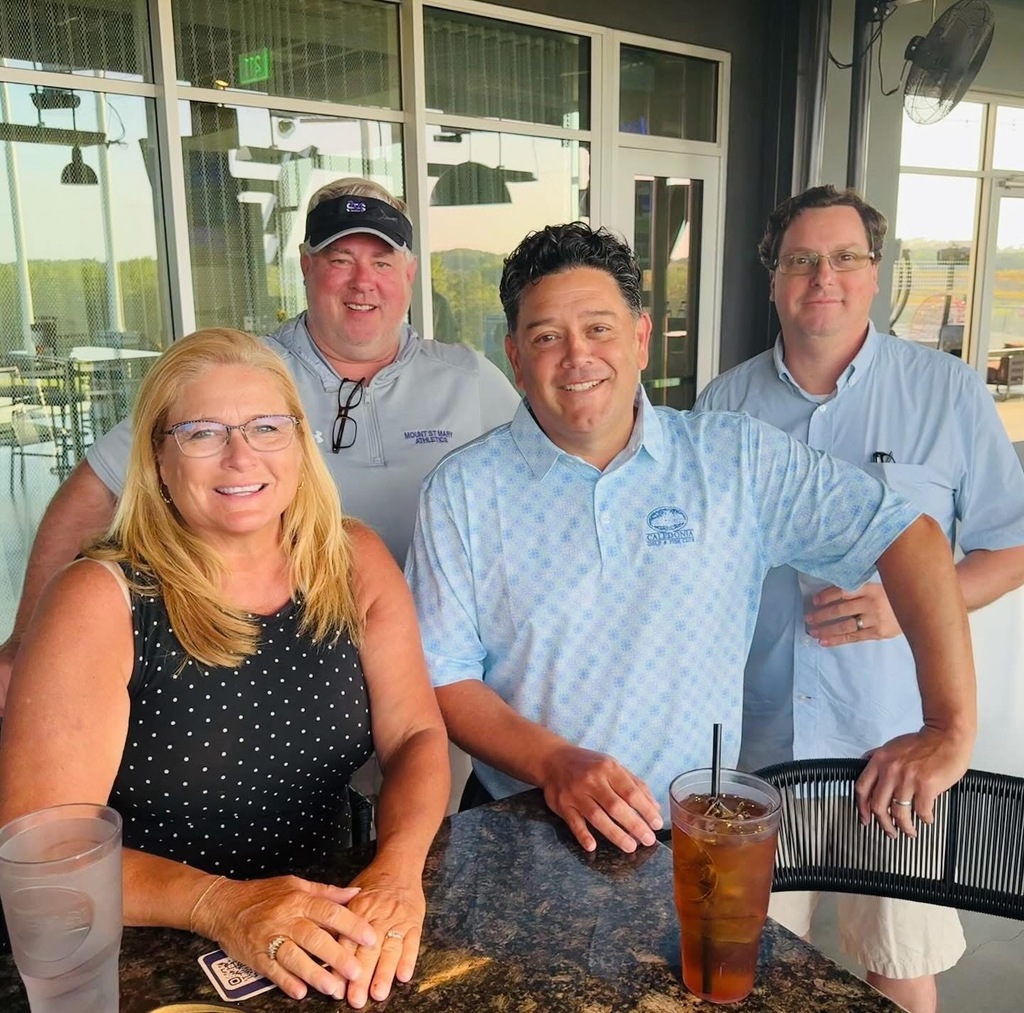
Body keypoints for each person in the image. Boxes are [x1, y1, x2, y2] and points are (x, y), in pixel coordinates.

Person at [405, 221, 976, 859]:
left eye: (600, 328)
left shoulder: (733, 458)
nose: (577, 356)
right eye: (546, 337)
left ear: (642, 339)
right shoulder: (462, 490)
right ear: (514, 356)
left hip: (693, 828)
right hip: (520, 825)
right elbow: (444, 676)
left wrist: (949, 727)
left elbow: (909, 536)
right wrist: (555, 761)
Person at [0, 328, 450, 1008]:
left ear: (300, 441)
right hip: (148, 946)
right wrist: (222, 905)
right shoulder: (98, 598)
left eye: (267, 426)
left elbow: (417, 734)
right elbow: (48, 858)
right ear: (157, 457)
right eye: (203, 432)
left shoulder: (352, 560)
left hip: (325, 928)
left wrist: (395, 869)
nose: (241, 455)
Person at [0, 177, 520, 711]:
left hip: (437, 669)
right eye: (340, 260)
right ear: (306, 267)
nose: (363, 282)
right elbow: (95, 489)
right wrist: (24, 643)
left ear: (409, 274)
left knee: (429, 787)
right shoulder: (240, 372)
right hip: (278, 674)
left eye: (382, 263)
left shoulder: (468, 378)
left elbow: (537, 489)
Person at [694, 185, 1024, 1013]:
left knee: (896, 961)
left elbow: (1013, 544)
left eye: (845, 257)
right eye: (801, 259)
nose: (823, 277)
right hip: (758, 744)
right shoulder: (724, 407)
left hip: (894, 742)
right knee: (750, 961)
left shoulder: (944, 393)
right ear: (772, 278)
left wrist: (912, 599)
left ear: (877, 275)